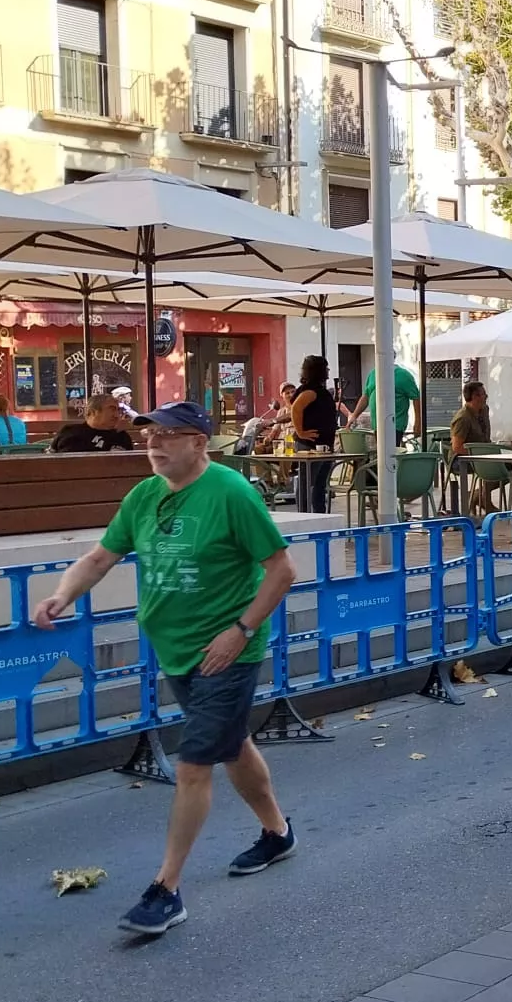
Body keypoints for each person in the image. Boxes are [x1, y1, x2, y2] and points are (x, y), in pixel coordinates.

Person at [32, 402, 298, 936]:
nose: (155, 444)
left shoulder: (232, 494)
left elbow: (282, 570)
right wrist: (61, 595)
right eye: (150, 435)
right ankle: (277, 833)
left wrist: (240, 630)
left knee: (193, 763)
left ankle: (166, 889)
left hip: (228, 651)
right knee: (231, 744)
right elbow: (101, 557)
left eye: (171, 435)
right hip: (175, 648)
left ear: (200, 443)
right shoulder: (144, 496)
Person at [289, 355, 339, 513]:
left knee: (319, 485)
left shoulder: (318, 390)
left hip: (324, 444)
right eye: (326, 368)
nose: (328, 371)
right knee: (307, 483)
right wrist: (300, 432)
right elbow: (296, 408)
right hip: (311, 445)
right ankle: (303, 515)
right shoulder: (311, 391)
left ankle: (319, 515)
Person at [448, 380, 500, 518]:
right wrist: (478, 454)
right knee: (491, 467)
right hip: (461, 459)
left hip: (483, 455)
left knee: (509, 467)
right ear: (475, 397)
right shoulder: (463, 418)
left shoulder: (484, 410)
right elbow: (457, 447)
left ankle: (477, 495)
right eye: (483, 394)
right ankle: (481, 499)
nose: (486, 397)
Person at [354, 364, 421, 445]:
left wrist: (418, 422)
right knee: (382, 452)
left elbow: (416, 398)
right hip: (377, 424)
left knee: (390, 452)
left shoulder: (403, 375)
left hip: (395, 423)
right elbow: (366, 396)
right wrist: (354, 415)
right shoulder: (373, 374)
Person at [51, 392, 136, 453]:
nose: (117, 415)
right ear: (93, 412)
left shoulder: (121, 437)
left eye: (118, 410)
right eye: (112, 409)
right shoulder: (70, 432)